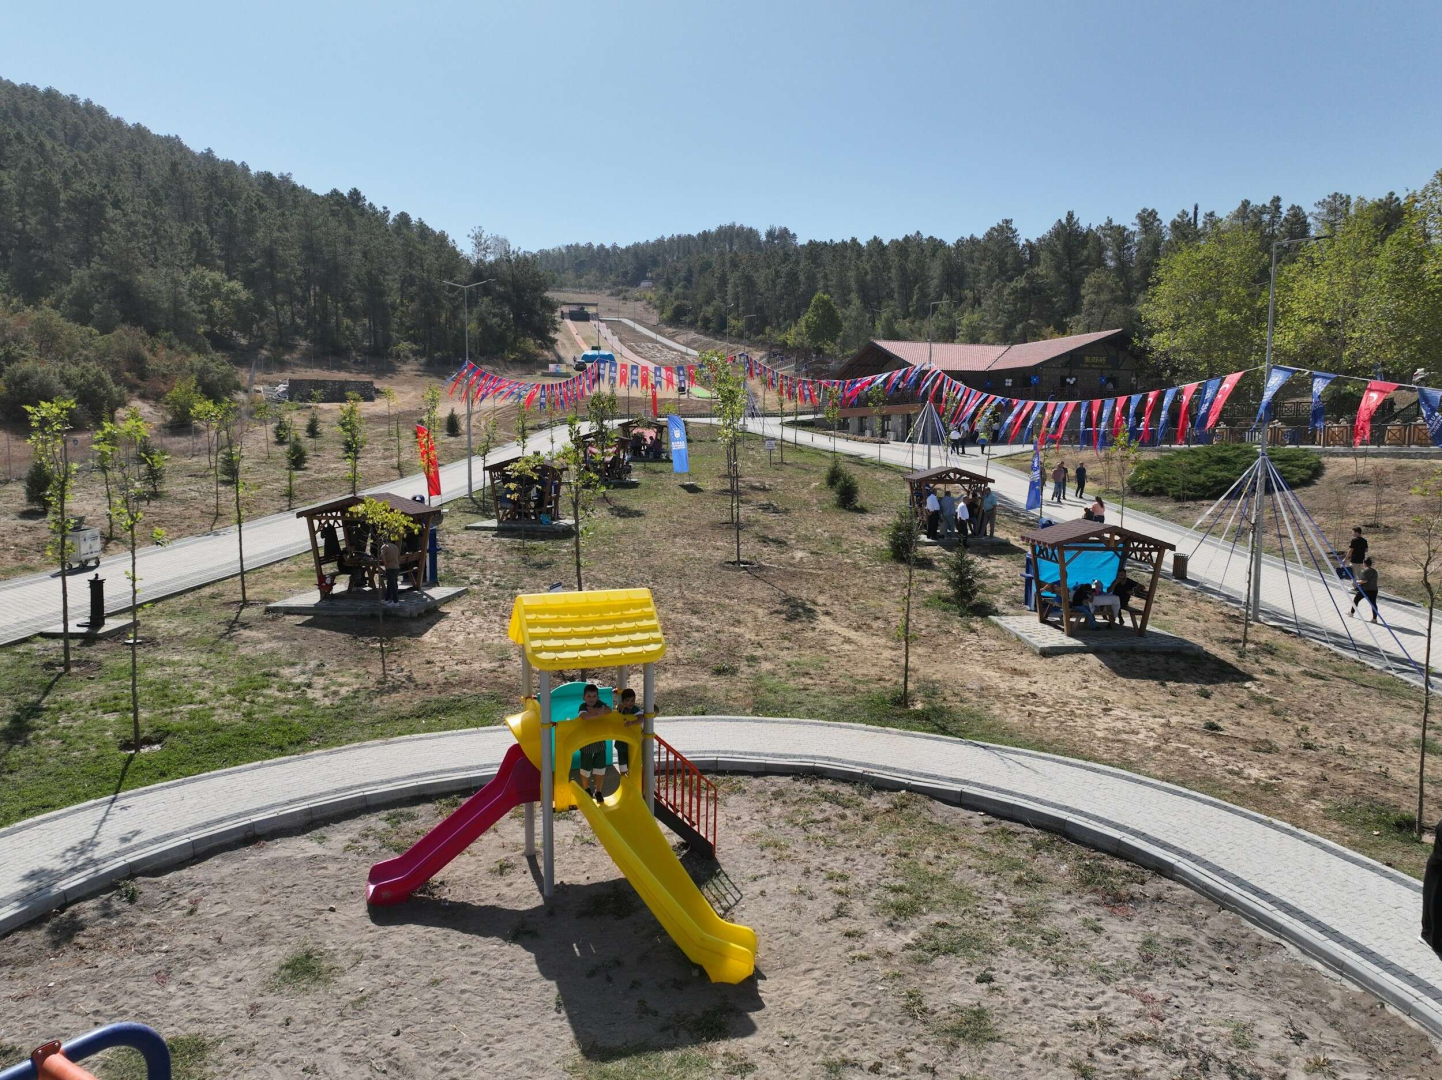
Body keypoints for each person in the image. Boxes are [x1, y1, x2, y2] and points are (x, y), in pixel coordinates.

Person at [575, 684, 612, 803]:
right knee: (585, 768)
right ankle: (586, 788)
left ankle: (598, 791)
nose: (591, 698)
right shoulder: (583, 706)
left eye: (594, 696)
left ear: (598, 697)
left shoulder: (599, 704)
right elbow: (584, 716)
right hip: (587, 742)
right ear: (584, 697)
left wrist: (595, 711)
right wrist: (598, 714)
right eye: (589, 696)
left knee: (600, 768)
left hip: (600, 741)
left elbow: (609, 710)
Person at [614, 687, 642, 778]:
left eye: (632, 700)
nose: (630, 703)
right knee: (622, 761)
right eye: (627, 700)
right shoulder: (621, 708)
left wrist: (632, 722)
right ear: (623, 701)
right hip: (621, 739)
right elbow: (617, 711)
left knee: (631, 760)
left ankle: (631, 776)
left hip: (631, 739)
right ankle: (622, 776)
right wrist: (621, 707)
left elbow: (641, 718)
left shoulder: (635, 709)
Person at [1350, 556, 1380, 623]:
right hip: (1374, 589)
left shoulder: (1364, 571)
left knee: (1356, 600)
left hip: (1365, 589)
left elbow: (1364, 581)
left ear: (1365, 563)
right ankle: (1374, 619)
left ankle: (1351, 613)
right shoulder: (1374, 571)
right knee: (1373, 604)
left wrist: (1356, 582)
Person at [380, 537, 401, 605]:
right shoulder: (395, 546)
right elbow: (398, 556)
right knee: (390, 583)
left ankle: (395, 601)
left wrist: (385, 563)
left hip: (390, 567)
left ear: (383, 541)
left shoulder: (384, 546)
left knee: (392, 585)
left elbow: (382, 555)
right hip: (396, 567)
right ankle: (387, 599)